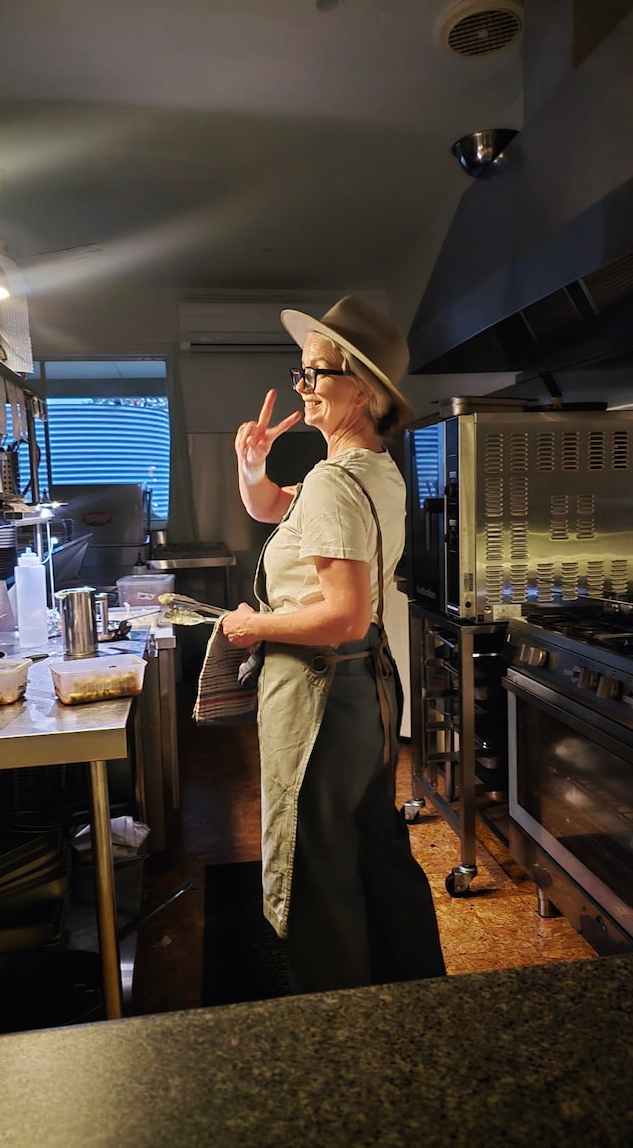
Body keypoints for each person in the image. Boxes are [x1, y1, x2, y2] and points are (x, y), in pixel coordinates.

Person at [221, 295, 445, 993]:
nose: (305, 387)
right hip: (368, 687)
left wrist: (253, 625)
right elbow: (272, 508)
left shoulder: (331, 480)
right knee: (375, 846)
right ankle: (419, 994)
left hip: (322, 684)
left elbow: (342, 613)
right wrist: (252, 465)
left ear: (365, 390)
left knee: (314, 863)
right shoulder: (373, 468)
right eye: (303, 374)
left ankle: (335, 1026)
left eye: (318, 373)